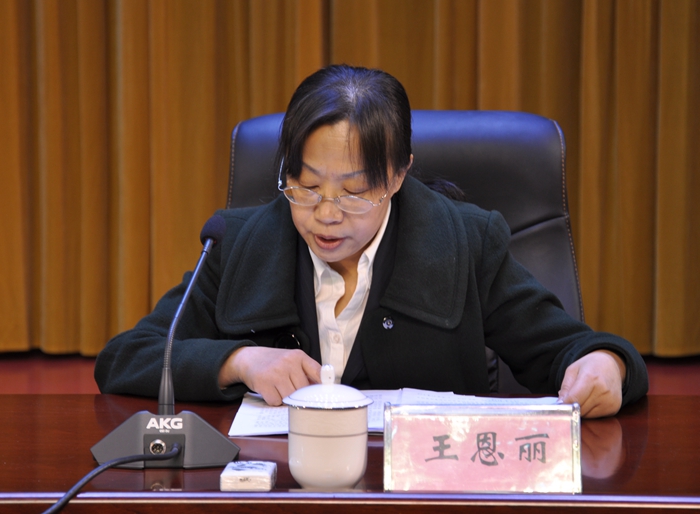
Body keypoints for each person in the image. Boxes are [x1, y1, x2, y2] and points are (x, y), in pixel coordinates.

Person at [95, 64, 648, 418]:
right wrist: (238, 360)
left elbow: (571, 350)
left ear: (398, 175)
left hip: (425, 493)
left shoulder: (465, 243)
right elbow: (126, 357)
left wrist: (606, 365)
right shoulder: (239, 243)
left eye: (355, 192)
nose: (325, 215)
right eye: (306, 186)